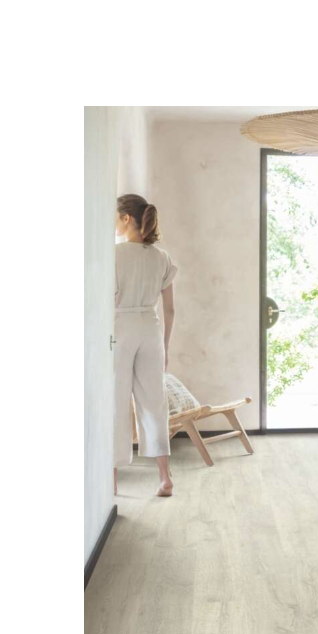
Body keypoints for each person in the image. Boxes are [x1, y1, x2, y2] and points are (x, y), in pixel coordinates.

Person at [113, 194, 178, 497]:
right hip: (151, 330)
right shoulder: (161, 257)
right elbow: (170, 310)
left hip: (119, 327)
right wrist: (165, 347)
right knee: (154, 403)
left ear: (126, 218)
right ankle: (165, 478)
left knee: (115, 402)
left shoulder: (114, 255)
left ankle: (111, 479)